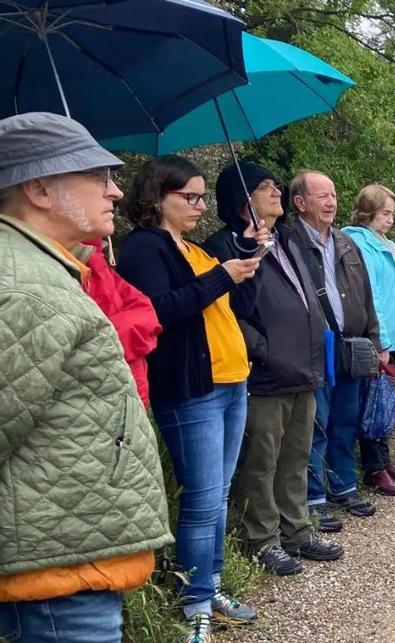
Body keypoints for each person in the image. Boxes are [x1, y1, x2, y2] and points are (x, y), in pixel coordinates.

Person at [0, 112, 171, 642]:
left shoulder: (45, 271)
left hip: (62, 557)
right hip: (53, 575)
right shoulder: (27, 289)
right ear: (39, 189)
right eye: (98, 176)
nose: (116, 192)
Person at [117, 156, 264, 639]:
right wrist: (224, 275)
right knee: (202, 498)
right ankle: (195, 600)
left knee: (218, 493)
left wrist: (248, 261)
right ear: (159, 197)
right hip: (191, 390)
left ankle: (212, 582)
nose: (201, 206)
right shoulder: (144, 248)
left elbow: (235, 306)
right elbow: (160, 310)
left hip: (231, 382)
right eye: (191, 197)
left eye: (203, 197)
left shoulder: (196, 249)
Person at [203, 163, 344, 575]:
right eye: (265, 187)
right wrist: (263, 349)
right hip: (265, 371)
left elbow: (305, 297)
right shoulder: (225, 244)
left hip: (304, 365)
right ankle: (262, 539)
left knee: (296, 455)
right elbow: (227, 310)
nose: (277, 192)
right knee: (262, 460)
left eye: (276, 185)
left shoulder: (286, 239)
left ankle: (296, 529)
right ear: (241, 198)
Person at [290, 170, 385, 523]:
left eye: (333, 195)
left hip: (351, 345)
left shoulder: (346, 242)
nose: (331, 202)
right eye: (321, 196)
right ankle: (314, 499)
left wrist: (374, 341)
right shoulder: (290, 243)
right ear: (300, 203)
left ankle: (344, 486)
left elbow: (366, 296)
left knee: (346, 420)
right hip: (314, 346)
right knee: (316, 424)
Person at [342, 184, 395, 494]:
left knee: (389, 402)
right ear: (368, 212)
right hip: (381, 336)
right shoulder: (361, 243)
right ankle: (374, 468)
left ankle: (385, 459)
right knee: (375, 402)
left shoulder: (383, 242)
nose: (391, 219)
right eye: (385, 213)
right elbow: (373, 293)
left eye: (392, 213)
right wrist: (383, 341)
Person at [75, 236, 161, 408]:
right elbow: (81, 342)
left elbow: (147, 312)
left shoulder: (95, 258)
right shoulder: (59, 260)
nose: (111, 208)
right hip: (98, 403)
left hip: (125, 394)